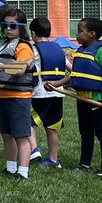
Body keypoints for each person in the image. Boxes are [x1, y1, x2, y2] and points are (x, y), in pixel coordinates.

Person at [48, 17, 102, 177]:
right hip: (82, 99)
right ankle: (85, 163)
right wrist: (56, 84)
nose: (77, 33)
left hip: (96, 100)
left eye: (80, 30)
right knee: (85, 132)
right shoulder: (80, 51)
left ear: (92, 34)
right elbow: (74, 75)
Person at [0, 6, 38, 180]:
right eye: (5, 25)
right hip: (4, 95)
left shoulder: (23, 47)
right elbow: (1, 69)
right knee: (7, 134)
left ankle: (22, 172)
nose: (8, 29)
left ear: (21, 27)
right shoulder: (4, 44)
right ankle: (10, 167)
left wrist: (0, 67)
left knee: (21, 136)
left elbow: (21, 68)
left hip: (19, 98)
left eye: (13, 26)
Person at [30, 16, 66, 168]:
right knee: (52, 127)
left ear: (32, 33)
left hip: (40, 92)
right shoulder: (59, 49)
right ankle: (53, 159)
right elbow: (70, 67)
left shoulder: (33, 49)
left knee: (27, 121)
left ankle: (33, 149)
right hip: (58, 93)